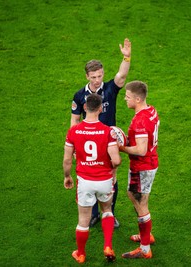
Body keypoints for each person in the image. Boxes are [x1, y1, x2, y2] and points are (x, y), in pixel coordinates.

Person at [70, 38, 131, 228]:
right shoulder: (79, 96)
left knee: (111, 176)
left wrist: (126, 58)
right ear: (87, 76)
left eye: (100, 75)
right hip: (88, 142)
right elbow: (75, 121)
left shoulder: (110, 89)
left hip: (108, 141)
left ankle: (109, 213)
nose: (98, 80)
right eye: (94, 77)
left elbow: (121, 75)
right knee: (90, 177)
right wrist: (73, 145)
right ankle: (95, 213)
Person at [63, 93, 122, 264]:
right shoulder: (107, 131)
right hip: (104, 181)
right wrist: (113, 169)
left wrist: (67, 176)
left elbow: (67, 160)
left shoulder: (73, 131)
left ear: (84, 108)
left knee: (83, 219)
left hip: (85, 182)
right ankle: (108, 246)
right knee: (107, 210)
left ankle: (81, 254)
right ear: (101, 109)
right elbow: (116, 160)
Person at [118, 81, 160, 259]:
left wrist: (122, 147)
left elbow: (141, 150)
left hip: (142, 166)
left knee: (140, 203)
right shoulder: (151, 110)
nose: (125, 100)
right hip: (149, 163)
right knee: (136, 198)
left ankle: (145, 248)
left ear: (137, 98)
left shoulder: (141, 120)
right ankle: (146, 236)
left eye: (127, 97)